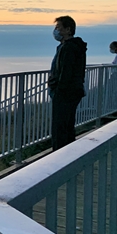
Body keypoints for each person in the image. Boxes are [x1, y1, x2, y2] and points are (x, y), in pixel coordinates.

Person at [47, 15, 87, 151]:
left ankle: (59, 157)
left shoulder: (69, 48)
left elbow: (66, 72)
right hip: (73, 91)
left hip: (65, 93)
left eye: (58, 27)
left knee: (60, 128)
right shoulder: (73, 46)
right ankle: (68, 155)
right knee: (68, 126)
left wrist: (58, 90)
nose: (56, 31)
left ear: (68, 30)